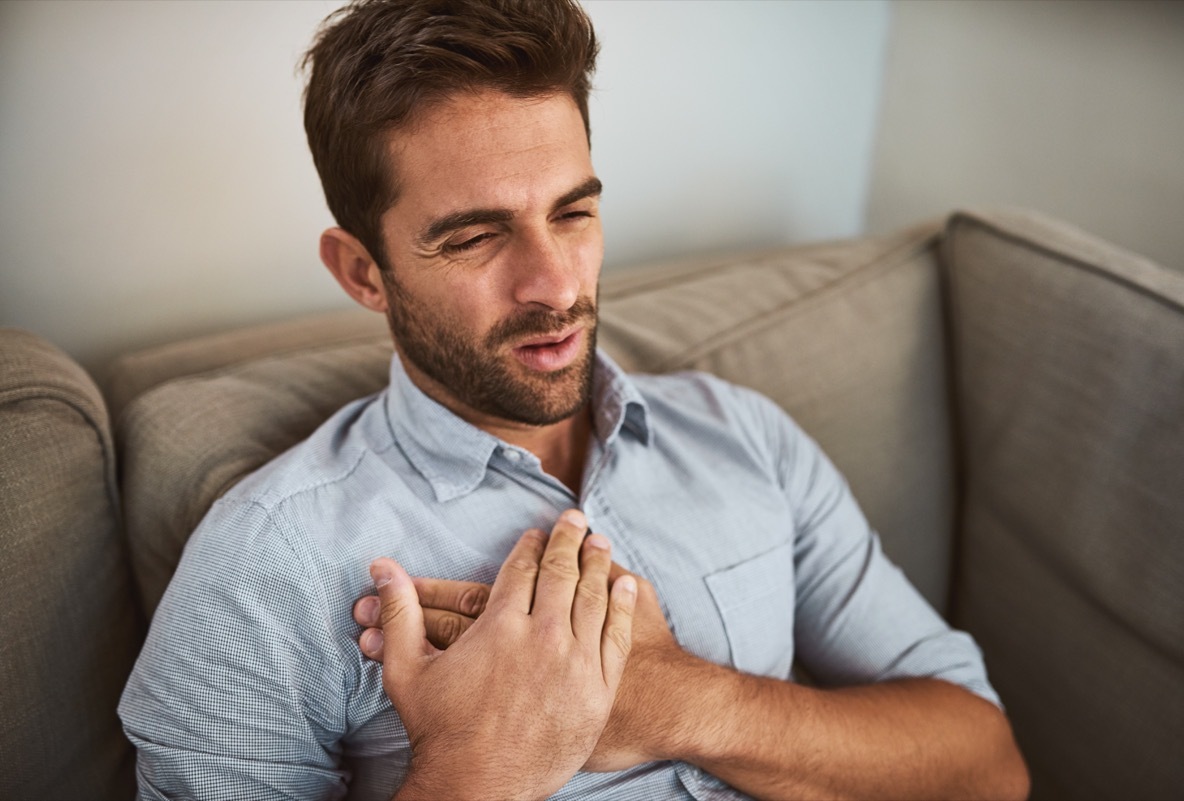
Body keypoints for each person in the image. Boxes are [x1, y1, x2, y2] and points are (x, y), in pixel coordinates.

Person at [119, 1, 1030, 799]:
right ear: (365, 271)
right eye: (477, 237)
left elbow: (986, 762)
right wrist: (478, 768)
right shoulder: (267, 566)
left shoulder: (740, 432)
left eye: (573, 212)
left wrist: (683, 699)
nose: (554, 283)